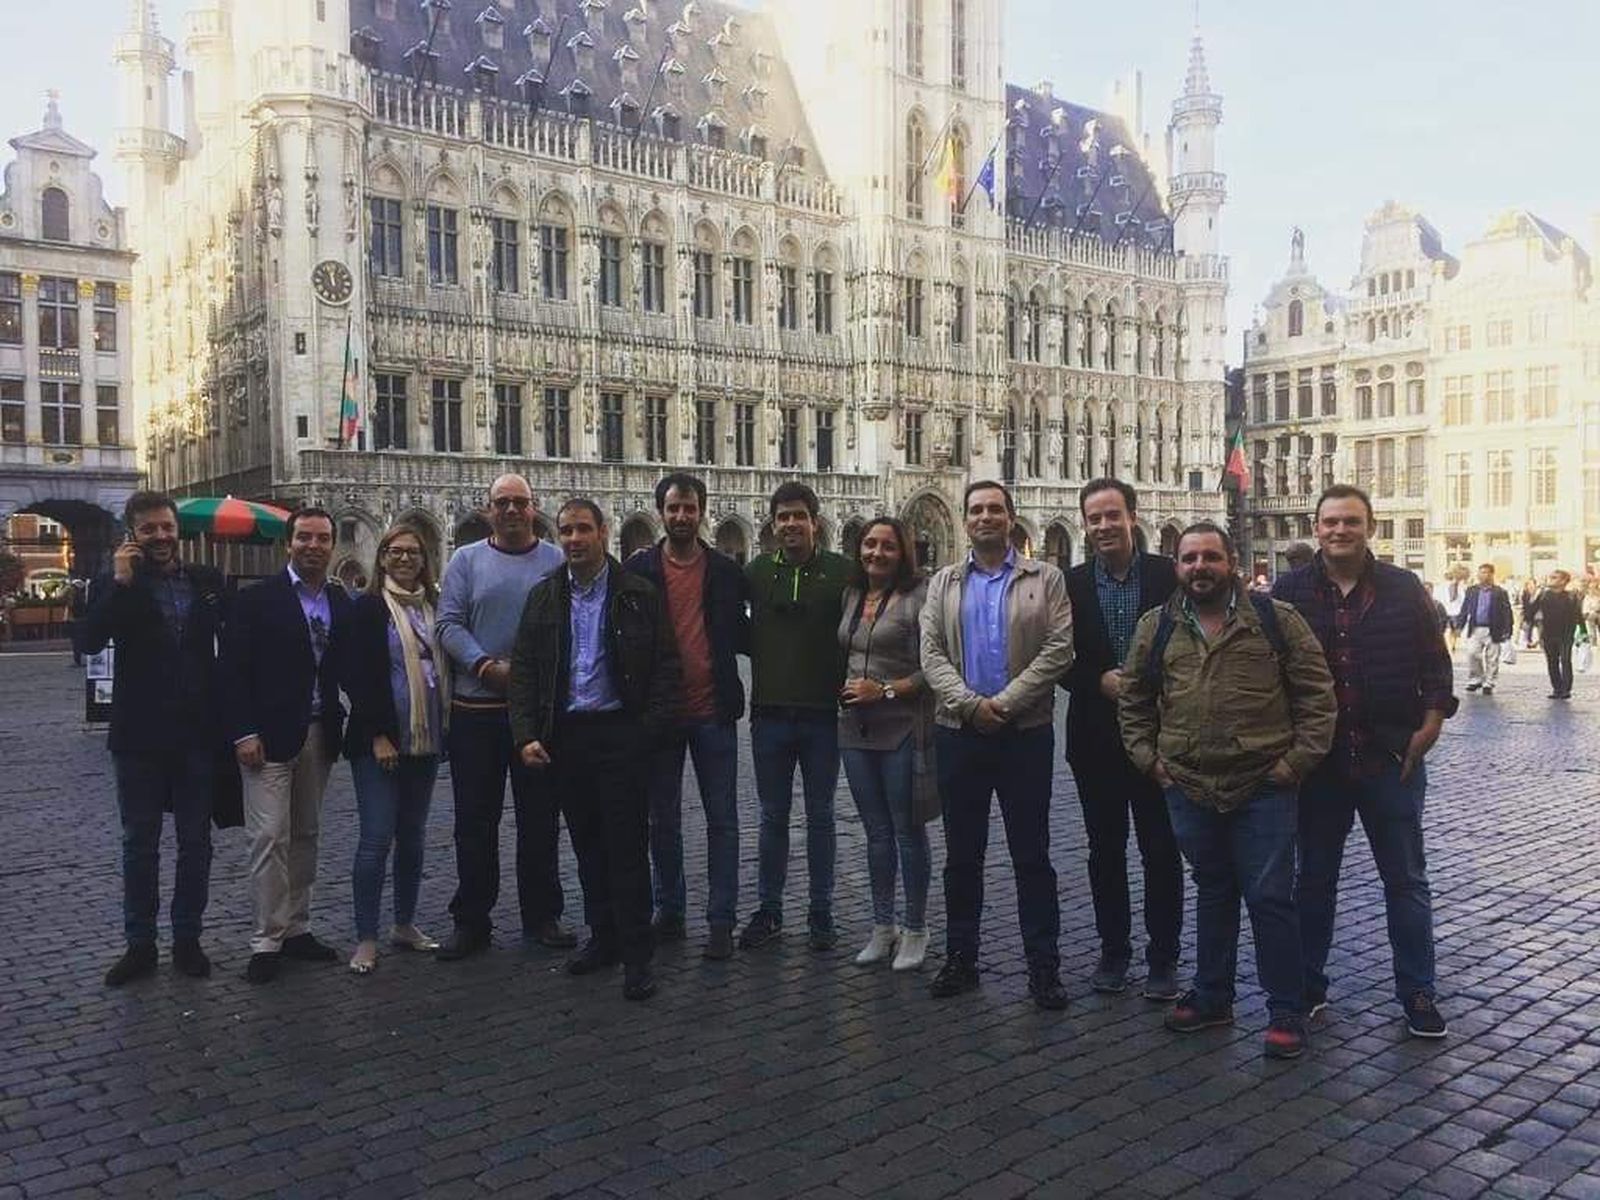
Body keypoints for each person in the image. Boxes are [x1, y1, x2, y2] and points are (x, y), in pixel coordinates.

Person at [1120, 521, 1336, 1059]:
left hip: (1264, 783)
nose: (1199, 568)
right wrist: (1152, 762)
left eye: (1210, 557)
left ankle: (1285, 1008)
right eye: (1189, 558)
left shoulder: (1275, 619)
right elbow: (1134, 699)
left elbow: (1317, 696)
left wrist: (1294, 764)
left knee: (1269, 897)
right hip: (1189, 782)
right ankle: (1213, 994)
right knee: (1213, 888)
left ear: (1232, 561)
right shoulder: (1158, 626)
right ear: (1177, 566)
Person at [1274, 485, 1457, 1039]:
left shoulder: (1402, 589)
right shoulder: (1291, 592)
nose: (1339, 531)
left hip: (1389, 760)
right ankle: (1307, 986)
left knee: (1405, 881)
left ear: (1369, 527)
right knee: (1314, 882)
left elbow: (1436, 665)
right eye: (1330, 522)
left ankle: (1418, 991)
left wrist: (1429, 727)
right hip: (1321, 765)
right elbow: (1270, 671)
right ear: (1316, 527)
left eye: (1351, 522)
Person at [508, 499, 680, 1001]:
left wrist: (646, 732)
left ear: (604, 533)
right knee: (586, 847)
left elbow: (667, 668)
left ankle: (637, 955)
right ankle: (602, 938)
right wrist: (526, 734)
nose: (574, 539)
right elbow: (523, 673)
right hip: (568, 736)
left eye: (583, 529)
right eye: (566, 531)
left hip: (621, 732)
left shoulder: (639, 594)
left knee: (627, 849)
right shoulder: (543, 597)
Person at [921, 481, 1075, 1009]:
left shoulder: (1045, 578)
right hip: (959, 734)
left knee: (1031, 856)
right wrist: (969, 704)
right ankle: (961, 957)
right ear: (965, 521)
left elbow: (1059, 650)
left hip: (1023, 735)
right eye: (977, 510)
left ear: (1011, 517)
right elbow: (931, 654)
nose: (986, 517)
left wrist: (1003, 703)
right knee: (962, 856)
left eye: (995, 509)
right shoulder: (943, 583)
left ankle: (1044, 967)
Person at [83, 491, 228, 986]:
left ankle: (188, 939)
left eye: (166, 527)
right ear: (133, 536)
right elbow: (86, 641)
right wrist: (122, 583)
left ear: (177, 529)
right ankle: (140, 945)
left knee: (195, 843)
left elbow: (235, 643)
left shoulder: (206, 582)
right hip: (139, 737)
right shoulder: (114, 583)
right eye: (149, 530)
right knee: (139, 845)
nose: (161, 537)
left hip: (196, 736)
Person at [435, 474, 573, 959]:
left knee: (540, 819)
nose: (512, 510)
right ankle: (471, 920)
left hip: (536, 714)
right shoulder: (465, 560)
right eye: (503, 503)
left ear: (534, 508)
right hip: (477, 709)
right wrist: (483, 665)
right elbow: (448, 622)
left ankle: (543, 915)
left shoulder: (556, 560)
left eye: (520, 502)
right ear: (488, 509)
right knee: (475, 820)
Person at [1059, 478, 1182, 1000]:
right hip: (1095, 737)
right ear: (1085, 525)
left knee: (1161, 848)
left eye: (1113, 515)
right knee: (1104, 850)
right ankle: (1114, 951)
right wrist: (1096, 680)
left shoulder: (1168, 575)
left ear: (1133, 517)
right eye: (1095, 518)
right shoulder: (1069, 583)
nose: (1104, 526)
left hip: (1160, 736)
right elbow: (1055, 656)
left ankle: (1163, 957)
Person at [223, 506, 352, 984]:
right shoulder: (258, 599)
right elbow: (233, 670)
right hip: (269, 737)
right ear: (289, 544)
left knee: (306, 835)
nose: (313, 546)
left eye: (322, 539)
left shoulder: (340, 601)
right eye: (305, 538)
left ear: (332, 545)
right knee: (268, 837)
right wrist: (243, 731)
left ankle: (298, 927)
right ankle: (266, 939)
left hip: (319, 732)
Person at [623, 472, 748, 961]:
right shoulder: (639, 570)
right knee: (662, 820)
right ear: (661, 512)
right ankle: (669, 910)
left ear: (702, 512)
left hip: (713, 709)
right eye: (673, 508)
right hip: (662, 714)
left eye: (689, 508)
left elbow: (747, 631)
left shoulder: (726, 571)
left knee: (723, 820)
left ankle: (721, 920)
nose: (681, 516)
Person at [739, 482, 853, 952]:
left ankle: (821, 912)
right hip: (769, 715)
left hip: (823, 717)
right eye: (782, 517)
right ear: (771, 524)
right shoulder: (756, 572)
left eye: (798, 516)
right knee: (772, 817)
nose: (790, 525)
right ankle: (770, 910)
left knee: (822, 816)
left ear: (815, 522)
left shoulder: (844, 573)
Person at [341, 524, 449, 975]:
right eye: (396, 552)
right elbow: (357, 676)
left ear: (425, 561)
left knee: (413, 836)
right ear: (381, 558)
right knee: (376, 837)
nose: (405, 559)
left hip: (424, 741)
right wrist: (377, 734)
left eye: (413, 553)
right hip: (381, 743)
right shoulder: (368, 610)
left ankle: (403, 923)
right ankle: (366, 936)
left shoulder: (434, 608)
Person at [837, 517, 937, 972]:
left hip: (901, 725)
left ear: (903, 553)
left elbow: (933, 668)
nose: (876, 553)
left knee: (906, 831)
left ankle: (916, 928)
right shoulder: (853, 594)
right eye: (869, 545)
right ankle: (883, 927)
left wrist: (887, 691)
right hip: (856, 730)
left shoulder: (919, 597)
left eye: (887, 546)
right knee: (876, 834)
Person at [1526, 570, 1583, 700]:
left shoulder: (1571, 596)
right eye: (1550, 577)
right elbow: (1530, 612)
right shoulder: (1543, 595)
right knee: (1552, 662)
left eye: (1554, 578)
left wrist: (1583, 632)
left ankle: (1566, 689)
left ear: (1563, 581)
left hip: (1566, 634)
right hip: (1548, 634)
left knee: (1565, 660)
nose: (1550, 580)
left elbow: (1578, 616)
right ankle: (1557, 688)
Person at [1460, 564, 1513, 695]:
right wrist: (1459, 624)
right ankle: (1476, 678)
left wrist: (1508, 629)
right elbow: (1465, 607)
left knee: (1492, 657)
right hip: (1476, 627)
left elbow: (1507, 611)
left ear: (1491, 574)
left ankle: (1489, 682)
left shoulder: (1499, 592)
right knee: (1472, 653)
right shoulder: (1472, 590)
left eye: (1485, 572)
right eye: (1480, 572)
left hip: (1493, 628)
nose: (1482, 575)